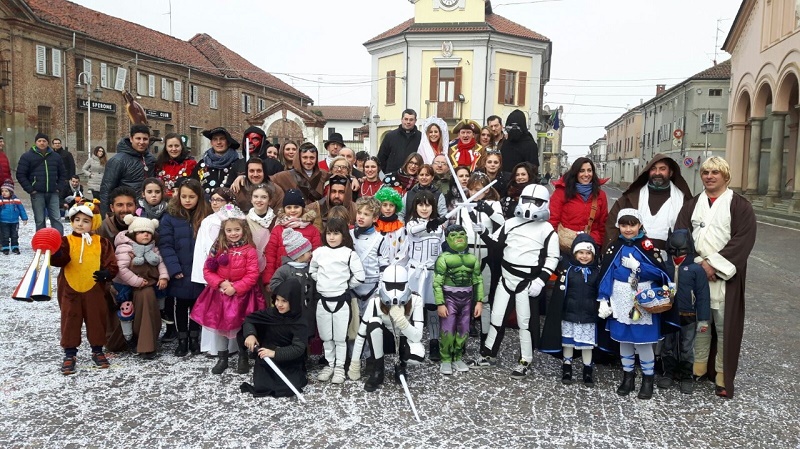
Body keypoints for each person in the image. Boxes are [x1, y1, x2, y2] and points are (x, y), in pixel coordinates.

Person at [674, 156, 756, 399]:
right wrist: (700, 265)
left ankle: (721, 373)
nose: (709, 176)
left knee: (723, 325)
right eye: (705, 172)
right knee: (700, 322)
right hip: (697, 273)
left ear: (725, 175)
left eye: (715, 172)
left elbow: (743, 240)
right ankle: (698, 366)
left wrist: (714, 265)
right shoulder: (691, 205)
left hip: (725, 276)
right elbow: (681, 236)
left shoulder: (740, 205)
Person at [472, 184, 559, 379]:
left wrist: (541, 280)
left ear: (545, 204)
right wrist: (483, 233)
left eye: (536, 202)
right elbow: (496, 244)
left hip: (527, 282)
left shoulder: (546, 229)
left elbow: (553, 258)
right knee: (497, 318)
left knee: (525, 323)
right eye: (527, 200)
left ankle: (525, 359)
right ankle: (489, 353)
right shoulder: (511, 223)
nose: (530, 205)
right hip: (506, 277)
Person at [597, 209, 674, 400]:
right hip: (620, 297)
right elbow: (607, 274)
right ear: (619, 226)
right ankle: (628, 377)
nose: (628, 229)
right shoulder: (614, 246)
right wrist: (603, 298)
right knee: (624, 339)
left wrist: (638, 267)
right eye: (624, 225)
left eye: (632, 225)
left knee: (644, 341)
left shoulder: (647, 247)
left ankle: (647, 380)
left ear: (639, 225)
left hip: (643, 298)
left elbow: (661, 274)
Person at [192, 206, 266, 374]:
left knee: (242, 326)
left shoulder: (249, 250)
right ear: (223, 231)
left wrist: (236, 288)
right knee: (220, 326)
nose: (233, 233)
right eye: (229, 230)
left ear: (244, 229)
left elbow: (252, 274)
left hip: (243, 296)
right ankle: (222, 357)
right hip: (221, 295)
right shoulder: (218, 249)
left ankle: (242, 356)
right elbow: (208, 270)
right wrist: (220, 284)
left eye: (237, 230)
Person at [50, 203, 118, 375]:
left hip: (94, 289)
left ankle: (97, 350)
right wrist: (55, 253)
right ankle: (70, 353)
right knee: (70, 319)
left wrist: (107, 273)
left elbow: (112, 263)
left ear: (93, 223)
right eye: (77, 220)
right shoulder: (66, 241)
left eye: (85, 221)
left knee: (96, 319)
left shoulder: (101, 243)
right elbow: (60, 260)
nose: (80, 224)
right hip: (70, 290)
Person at [348, 264, 425, 390]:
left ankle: (401, 365)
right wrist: (355, 363)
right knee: (373, 323)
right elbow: (362, 334)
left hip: (404, 339)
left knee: (417, 354)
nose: (395, 292)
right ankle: (378, 369)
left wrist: (402, 321)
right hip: (384, 340)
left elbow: (417, 336)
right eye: (390, 286)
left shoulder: (415, 299)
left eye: (399, 286)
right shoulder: (375, 302)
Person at [539, 234, 601, 386]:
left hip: (588, 316)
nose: (584, 256)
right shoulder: (568, 272)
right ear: (574, 253)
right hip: (569, 314)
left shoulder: (596, 273)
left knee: (587, 345)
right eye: (581, 253)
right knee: (568, 343)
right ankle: (567, 368)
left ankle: (588, 371)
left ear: (593, 255)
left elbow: (600, 292)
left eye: (588, 253)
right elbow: (560, 295)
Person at [160, 178, 212, 357]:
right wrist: (174, 268)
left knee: (198, 306)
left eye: (192, 196)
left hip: (199, 271)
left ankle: (195, 338)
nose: (187, 200)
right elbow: (166, 245)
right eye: (184, 196)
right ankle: (182, 339)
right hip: (180, 269)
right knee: (180, 306)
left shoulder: (206, 216)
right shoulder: (170, 217)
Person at [310, 217, 365, 384]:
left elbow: (360, 277)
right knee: (327, 337)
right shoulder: (319, 252)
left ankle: (340, 367)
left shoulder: (349, 254)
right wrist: (320, 281)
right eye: (329, 233)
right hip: (323, 300)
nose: (332, 237)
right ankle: (329, 364)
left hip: (341, 301)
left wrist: (346, 285)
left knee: (340, 338)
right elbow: (312, 270)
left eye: (336, 233)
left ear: (344, 235)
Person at [453, 173, 505, 345]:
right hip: (466, 254)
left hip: (486, 254)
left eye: (478, 189)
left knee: (484, 299)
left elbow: (502, 224)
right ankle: (462, 338)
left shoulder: (494, 204)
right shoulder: (463, 205)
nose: (475, 192)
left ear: (487, 189)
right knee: (462, 297)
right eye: (472, 189)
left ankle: (485, 340)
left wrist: (488, 212)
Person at [657, 229, 711, 394]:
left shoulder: (696, 269)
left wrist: (703, 319)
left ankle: (686, 376)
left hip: (689, 314)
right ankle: (668, 373)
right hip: (668, 313)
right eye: (674, 250)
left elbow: (703, 295)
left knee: (687, 347)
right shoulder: (665, 266)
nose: (677, 254)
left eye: (681, 250)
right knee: (667, 345)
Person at [605, 154, 692, 251]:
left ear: (670, 172)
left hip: (670, 257)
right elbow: (612, 225)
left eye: (662, 169)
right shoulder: (631, 197)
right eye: (653, 169)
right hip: (633, 252)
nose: (657, 173)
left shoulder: (683, 200)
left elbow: (688, 231)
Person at [398, 190, 447, 360]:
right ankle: (409, 342)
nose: (424, 208)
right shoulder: (411, 223)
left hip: (432, 274)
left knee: (432, 309)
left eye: (428, 205)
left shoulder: (440, 228)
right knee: (410, 308)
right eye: (421, 205)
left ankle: (434, 342)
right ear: (415, 206)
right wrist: (430, 224)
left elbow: (443, 249)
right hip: (415, 273)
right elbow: (414, 232)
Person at [191, 187, 239, 356]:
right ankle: (214, 347)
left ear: (229, 203)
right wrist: (203, 275)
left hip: (234, 273)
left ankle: (233, 346)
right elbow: (202, 249)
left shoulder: (238, 219)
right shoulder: (208, 221)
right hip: (214, 273)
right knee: (215, 310)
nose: (215, 203)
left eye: (220, 200)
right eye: (213, 199)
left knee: (233, 310)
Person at [112, 215, 169, 359]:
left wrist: (163, 277)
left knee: (150, 299)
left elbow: (161, 264)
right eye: (140, 232)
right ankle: (129, 337)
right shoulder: (125, 248)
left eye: (148, 233)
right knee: (127, 312)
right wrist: (137, 281)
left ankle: (147, 344)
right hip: (127, 286)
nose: (145, 235)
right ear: (133, 234)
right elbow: (121, 269)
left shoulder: (153, 249)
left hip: (148, 286)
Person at [241, 277, 308, 398]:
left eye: (284, 301)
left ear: (293, 301)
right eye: (277, 300)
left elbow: (298, 348)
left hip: (288, 360)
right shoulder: (271, 314)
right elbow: (249, 320)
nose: (279, 304)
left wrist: (274, 353)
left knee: (288, 387)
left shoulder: (300, 321)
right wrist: (250, 334)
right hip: (266, 357)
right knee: (263, 385)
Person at [433, 224, 484, 375]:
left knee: (464, 329)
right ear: (448, 239)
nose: (458, 237)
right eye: (454, 235)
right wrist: (440, 303)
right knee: (448, 329)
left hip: (467, 299)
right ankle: (446, 359)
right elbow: (437, 282)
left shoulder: (472, 258)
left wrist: (479, 301)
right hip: (449, 298)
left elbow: (478, 280)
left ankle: (458, 356)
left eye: (461, 234)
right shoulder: (443, 258)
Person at [96, 186, 137, 352]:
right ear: (112, 208)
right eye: (120, 205)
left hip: (136, 278)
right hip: (112, 282)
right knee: (114, 346)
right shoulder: (102, 229)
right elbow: (97, 261)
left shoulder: (141, 226)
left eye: (129, 205)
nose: (125, 209)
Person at [262, 189, 322, 286]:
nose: (292, 210)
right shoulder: (278, 229)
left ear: (302, 208)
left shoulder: (312, 230)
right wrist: (269, 280)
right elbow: (270, 255)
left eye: (296, 207)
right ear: (284, 209)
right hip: (282, 277)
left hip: (305, 278)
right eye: (289, 207)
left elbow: (317, 255)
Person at [549, 157, 609, 253]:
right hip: (565, 246)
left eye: (589, 170)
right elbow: (552, 220)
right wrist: (553, 245)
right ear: (575, 173)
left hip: (591, 247)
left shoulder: (600, 195)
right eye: (582, 171)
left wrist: (599, 244)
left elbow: (603, 223)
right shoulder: (561, 192)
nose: (586, 174)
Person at [268, 228, 316, 344]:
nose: (311, 253)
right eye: (308, 251)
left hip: (308, 309)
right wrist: (287, 293)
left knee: (306, 332)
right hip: (291, 310)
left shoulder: (310, 268)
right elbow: (274, 284)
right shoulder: (285, 270)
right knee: (292, 334)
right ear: (299, 254)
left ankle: (305, 355)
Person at [99, 125, 156, 216]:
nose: (141, 142)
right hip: (126, 210)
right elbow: (106, 190)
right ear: (131, 139)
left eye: (145, 139)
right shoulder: (118, 160)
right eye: (138, 138)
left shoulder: (151, 159)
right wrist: (107, 216)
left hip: (148, 210)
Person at [16, 132, 65, 234]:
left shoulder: (55, 156)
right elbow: (20, 174)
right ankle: (42, 243)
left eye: (44, 141)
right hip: (37, 193)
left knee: (56, 219)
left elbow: (63, 173)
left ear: (48, 143)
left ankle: (59, 242)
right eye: (39, 141)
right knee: (39, 220)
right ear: (35, 143)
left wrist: (59, 187)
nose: (42, 143)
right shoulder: (27, 156)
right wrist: (30, 189)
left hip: (53, 192)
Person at [191, 127, 241, 198]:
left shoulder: (237, 164)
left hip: (229, 207)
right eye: (215, 139)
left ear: (228, 142)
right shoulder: (202, 164)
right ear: (211, 143)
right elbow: (193, 186)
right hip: (205, 206)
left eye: (222, 139)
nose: (218, 142)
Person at [378, 109, 422, 174]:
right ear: (401, 119)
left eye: (411, 120)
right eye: (406, 119)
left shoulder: (421, 137)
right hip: (393, 177)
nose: (408, 122)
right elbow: (381, 158)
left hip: (414, 177)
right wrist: (386, 174)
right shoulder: (390, 136)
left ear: (415, 121)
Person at [155, 133, 197, 198]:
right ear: (166, 148)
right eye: (170, 146)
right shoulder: (160, 164)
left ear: (181, 147)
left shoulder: (190, 164)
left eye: (176, 146)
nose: (174, 149)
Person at [373, 186, 406, 263]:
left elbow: (403, 250)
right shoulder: (374, 226)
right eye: (384, 205)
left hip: (395, 268)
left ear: (396, 207)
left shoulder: (400, 228)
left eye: (391, 205)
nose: (388, 208)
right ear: (379, 206)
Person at [500, 109, 538, 173]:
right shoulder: (505, 144)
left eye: (516, 126)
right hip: (506, 180)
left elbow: (533, 169)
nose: (513, 129)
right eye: (510, 126)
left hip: (523, 181)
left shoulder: (530, 145)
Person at [0, 179, 28, 255]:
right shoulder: (1, 200)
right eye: (2, 191)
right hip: (4, 221)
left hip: (15, 221)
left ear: (11, 192)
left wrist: (24, 218)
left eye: (6, 191)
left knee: (14, 235)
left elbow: (21, 209)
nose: (4, 193)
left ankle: (15, 247)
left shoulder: (16, 200)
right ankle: (5, 248)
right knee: (5, 235)